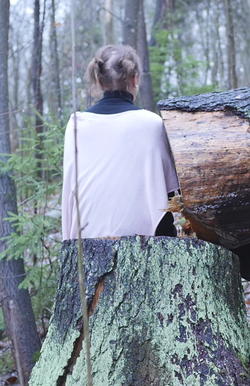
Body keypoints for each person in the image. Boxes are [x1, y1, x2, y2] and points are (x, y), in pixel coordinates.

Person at [61, 45, 180, 240]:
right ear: (135, 79)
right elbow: (168, 196)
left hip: (85, 242)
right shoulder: (151, 124)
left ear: (98, 81)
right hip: (144, 244)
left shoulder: (76, 125)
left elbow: (70, 196)